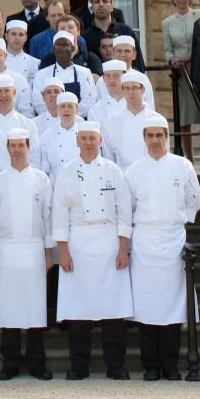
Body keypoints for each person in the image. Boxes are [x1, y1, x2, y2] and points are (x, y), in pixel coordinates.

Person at [51, 120, 133, 379]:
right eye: (84, 138)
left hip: (109, 243)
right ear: (77, 141)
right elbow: (60, 214)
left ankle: (116, 366)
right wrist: (62, 251)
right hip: (78, 244)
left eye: (92, 138)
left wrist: (123, 249)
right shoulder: (65, 172)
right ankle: (79, 366)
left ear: (100, 141)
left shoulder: (113, 171)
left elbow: (124, 212)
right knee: (77, 311)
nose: (88, 143)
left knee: (113, 311)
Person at [124, 113, 200, 381]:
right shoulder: (133, 170)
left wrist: (179, 221)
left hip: (173, 242)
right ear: (143, 138)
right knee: (146, 307)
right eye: (150, 135)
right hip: (144, 242)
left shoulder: (183, 165)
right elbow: (127, 208)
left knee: (173, 306)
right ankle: (151, 365)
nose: (155, 140)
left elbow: (194, 200)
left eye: (160, 135)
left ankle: (170, 364)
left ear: (167, 137)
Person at [0, 126, 55, 380]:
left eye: (21, 145)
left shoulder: (41, 179)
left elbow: (48, 216)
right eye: (12, 145)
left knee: (35, 308)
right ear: (7, 148)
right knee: (9, 308)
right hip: (8, 250)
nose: (17, 149)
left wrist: (49, 253)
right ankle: (10, 362)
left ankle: (37, 363)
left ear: (29, 147)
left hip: (34, 249)